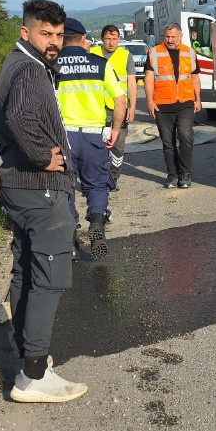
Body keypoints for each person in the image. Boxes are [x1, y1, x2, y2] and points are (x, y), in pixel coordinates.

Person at [0, 0, 88, 403]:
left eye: (58, 35)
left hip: (20, 186)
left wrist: (17, 154)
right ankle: (33, 375)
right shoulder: (31, 69)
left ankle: (29, 358)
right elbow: (18, 117)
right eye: (45, 33)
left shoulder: (15, 64)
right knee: (49, 276)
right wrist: (41, 156)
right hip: (39, 188)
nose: (53, 42)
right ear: (25, 31)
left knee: (26, 272)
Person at [58, 17, 125, 258]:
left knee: (65, 186)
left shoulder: (52, 64)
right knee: (96, 184)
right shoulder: (100, 64)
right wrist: (115, 129)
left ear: (60, 38)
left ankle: (70, 235)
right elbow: (120, 99)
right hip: (93, 136)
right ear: (83, 38)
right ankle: (96, 222)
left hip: (63, 136)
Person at [145, 24, 202, 188]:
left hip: (185, 103)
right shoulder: (154, 53)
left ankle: (185, 174)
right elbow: (149, 79)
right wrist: (150, 101)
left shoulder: (190, 52)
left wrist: (198, 99)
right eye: (167, 36)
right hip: (162, 105)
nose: (169, 40)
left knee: (186, 136)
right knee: (168, 142)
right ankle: (172, 175)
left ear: (180, 37)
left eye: (173, 37)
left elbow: (195, 78)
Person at [89, 25, 137, 190]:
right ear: (102, 39)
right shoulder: (92, 53)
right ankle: (98, 177)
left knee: (117, 144)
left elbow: (131, 83)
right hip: (96, 106)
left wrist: (132, 107)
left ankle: (113, 177)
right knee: (97, 144)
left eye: (114, 39)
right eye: (108, 39)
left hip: (119, 107)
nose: (111, 42)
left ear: (119, 39)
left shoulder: (125, 56)